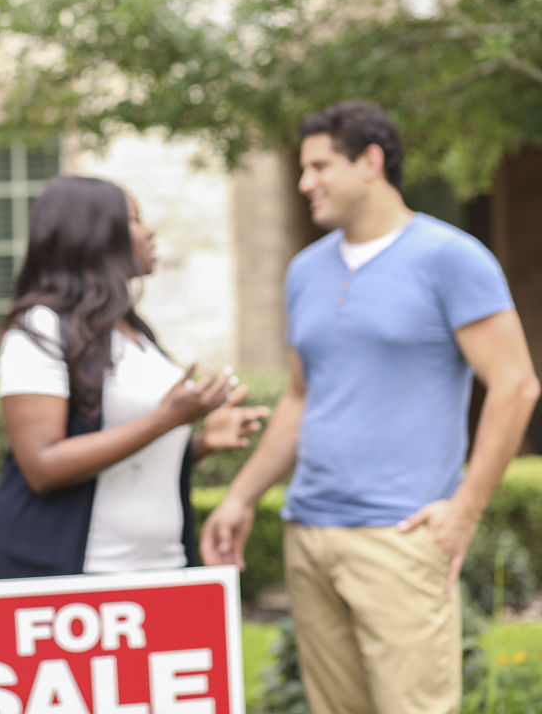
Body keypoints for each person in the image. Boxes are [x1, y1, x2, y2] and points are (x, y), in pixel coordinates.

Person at [200, 101, 540, 714]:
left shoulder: (451, 258)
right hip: (310, 533)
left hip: (399, 537)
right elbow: (301, 397)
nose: (305, 182)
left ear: (371, 162)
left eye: (319, 166)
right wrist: (241, 497)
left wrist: (465, 510)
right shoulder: (304, 271)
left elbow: (516, 384)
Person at [0, 175, 269, 580]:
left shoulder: (134, 331)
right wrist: (167, 419)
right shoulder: (39, 328)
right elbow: (42, 465)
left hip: (158, 565)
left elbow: (130, 453)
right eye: (133, 219)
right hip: (72, 570)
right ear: (91, 233)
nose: (149, 232)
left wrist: (199, 443)